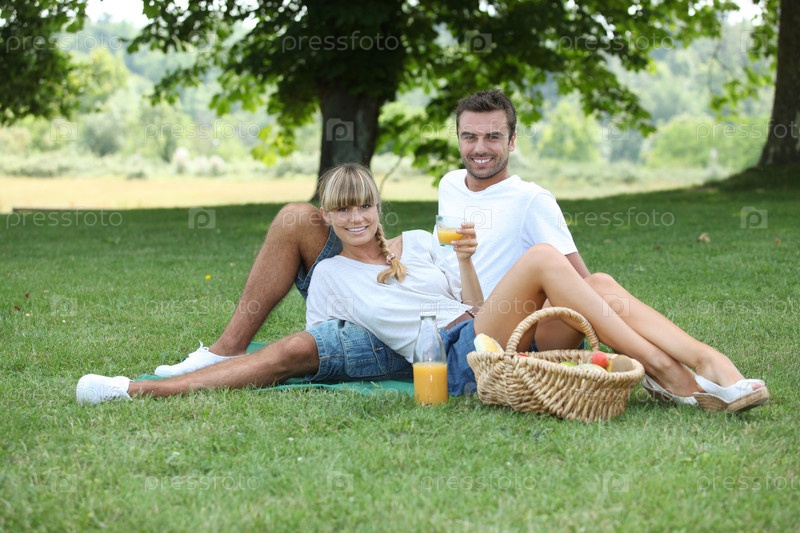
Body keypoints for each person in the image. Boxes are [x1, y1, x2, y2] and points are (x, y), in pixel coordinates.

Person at [77, 90, 767, 410]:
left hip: (484, 326)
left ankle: (701, 368)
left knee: (597, 280)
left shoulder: (422, 246)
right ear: (329, 219)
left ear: (380, 209)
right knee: (546, 267)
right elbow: (334, 341)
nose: (356, 219)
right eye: (342, 211)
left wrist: (459, 259)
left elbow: (473, 299)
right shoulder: (335, 280)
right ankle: (669, 372)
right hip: (460, 356)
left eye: (366, 207)